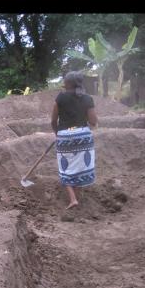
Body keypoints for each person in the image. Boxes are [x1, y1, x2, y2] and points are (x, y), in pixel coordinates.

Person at [51, 72, 98, 210]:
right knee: (80, 168)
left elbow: (53, 121)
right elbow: (93, 121)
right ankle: (76, 197)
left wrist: (58, 134)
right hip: (84, 136)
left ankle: (72, 199)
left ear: (68, 84)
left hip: (65, 136)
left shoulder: (60, 98)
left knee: (65, 168)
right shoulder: (87, 98)